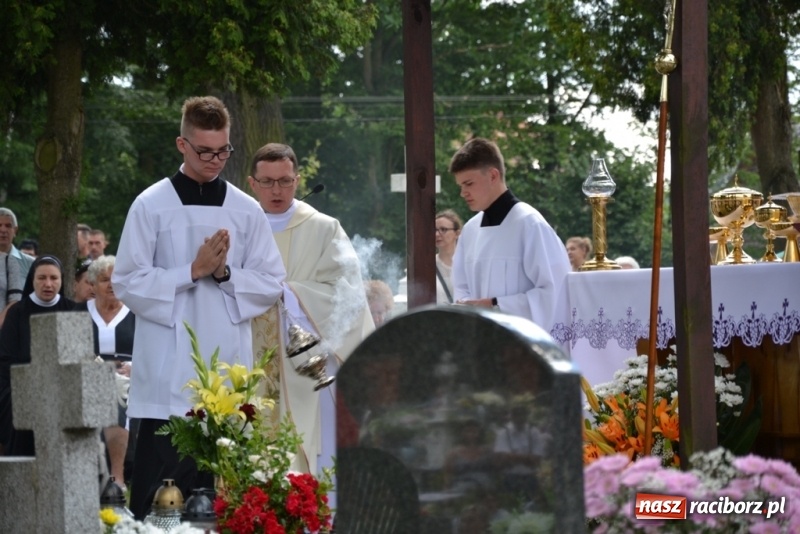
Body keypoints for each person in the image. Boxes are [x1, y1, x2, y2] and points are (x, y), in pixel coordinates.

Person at [111, 95, 286, 520]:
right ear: (182, 145)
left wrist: (224, 275)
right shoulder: (150, 205)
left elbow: (271, 282)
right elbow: (127, 281)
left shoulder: (246, 210)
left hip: (226, 373)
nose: (215, 160)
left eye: (223, 151)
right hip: (167, 374)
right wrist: (191, 270)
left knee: (223, 500)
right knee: (161, 501)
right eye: (205, 151)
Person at [247, 142, 374, 479]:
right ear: (252, 183)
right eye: (268, 181)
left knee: (306, 453)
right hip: (246, 358)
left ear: (298, 180)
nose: (277, 190)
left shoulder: (323, 228)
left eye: (285, 181)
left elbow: (348, 295)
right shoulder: (239, 227)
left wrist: (290, 293)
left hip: (304, 364)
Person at [449, 138, 570, 331]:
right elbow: (461, 287)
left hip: (523, 347)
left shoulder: (530, 224)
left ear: (493, 176)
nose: (463, 193)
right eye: (460, 186)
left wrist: (495, 305)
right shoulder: (471, 230)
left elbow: (555, 293)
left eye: (469, 183)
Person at [0, 255, 83, 456]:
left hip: (65, 384)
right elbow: (5, 359)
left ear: (62, 281)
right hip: (21, 384)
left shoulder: (72, 310)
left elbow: (81, 355)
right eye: (42, 278)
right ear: (32, 280)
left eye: (54, 278)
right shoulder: (17, 312)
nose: (48, 284)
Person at [87, 255, 135, 489]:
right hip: (89, 378)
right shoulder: (79, 311)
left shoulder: (136, 313)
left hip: (130, 380)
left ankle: (117, 477)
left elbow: (149, 348)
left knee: (119, 396)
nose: (111, 284)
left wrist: (135, 367)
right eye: (105, 279)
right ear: (93, 284)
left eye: (116, 279)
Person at [0, 208, 35, 328]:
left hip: (19, 326)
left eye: (8, 226)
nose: (3, 230)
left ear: (15, 230)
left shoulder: (30, 263)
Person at [435, 209, 463, 304]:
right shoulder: (427, 265)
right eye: (434, 230)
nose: (437, 234)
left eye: (443, 230)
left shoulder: (467, 264)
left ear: (457, 233)